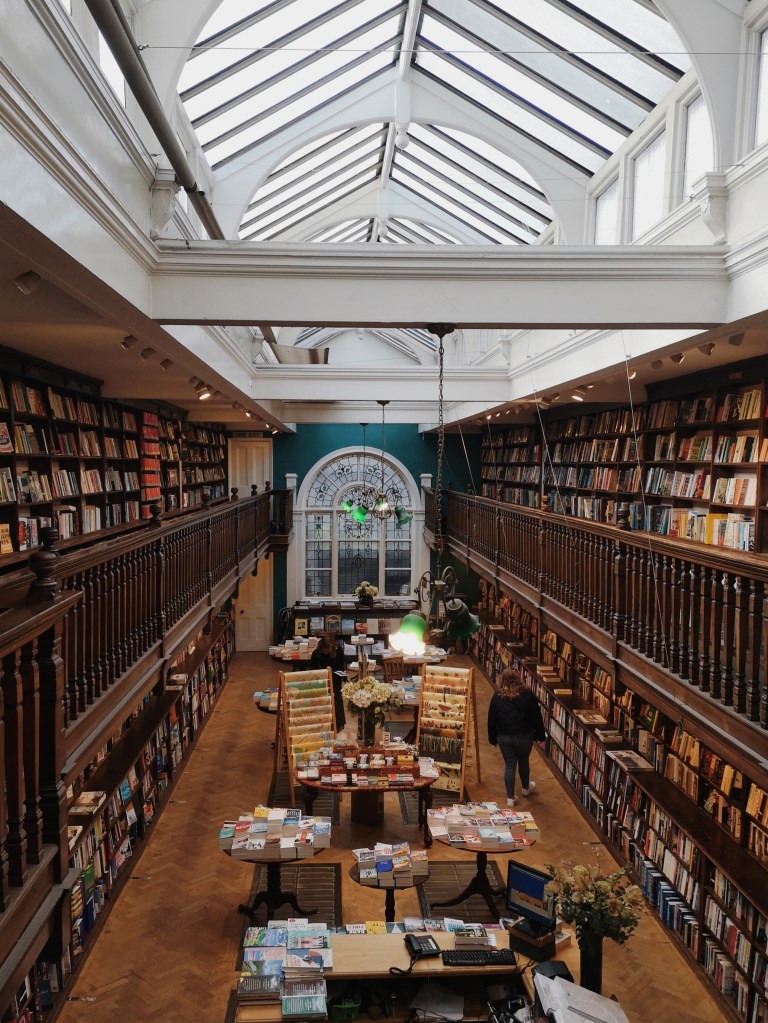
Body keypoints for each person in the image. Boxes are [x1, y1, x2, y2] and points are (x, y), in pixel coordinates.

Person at [487, 667, 546, 808]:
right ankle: (526, 788)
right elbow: (536, 717)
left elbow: (491, 720)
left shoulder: (497, 696)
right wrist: (540, 735)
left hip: (504, 737)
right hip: (524, 736)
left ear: (502, 680)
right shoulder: (527, 695)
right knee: (523, 760)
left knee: (509, 765)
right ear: (519, 679)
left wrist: (492, 738)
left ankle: (510, 798)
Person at [310, 636, 346, 729]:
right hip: (321, 681)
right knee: (322, 702)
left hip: (335, 679)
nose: (326, 651)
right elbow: (313, 670)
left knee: (336, 701)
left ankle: (337, 724)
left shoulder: (338, 651)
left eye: (327, 649)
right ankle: (323, 723)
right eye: (324, 649)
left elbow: (341, 666)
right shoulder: (316, 654)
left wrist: (341, 674)